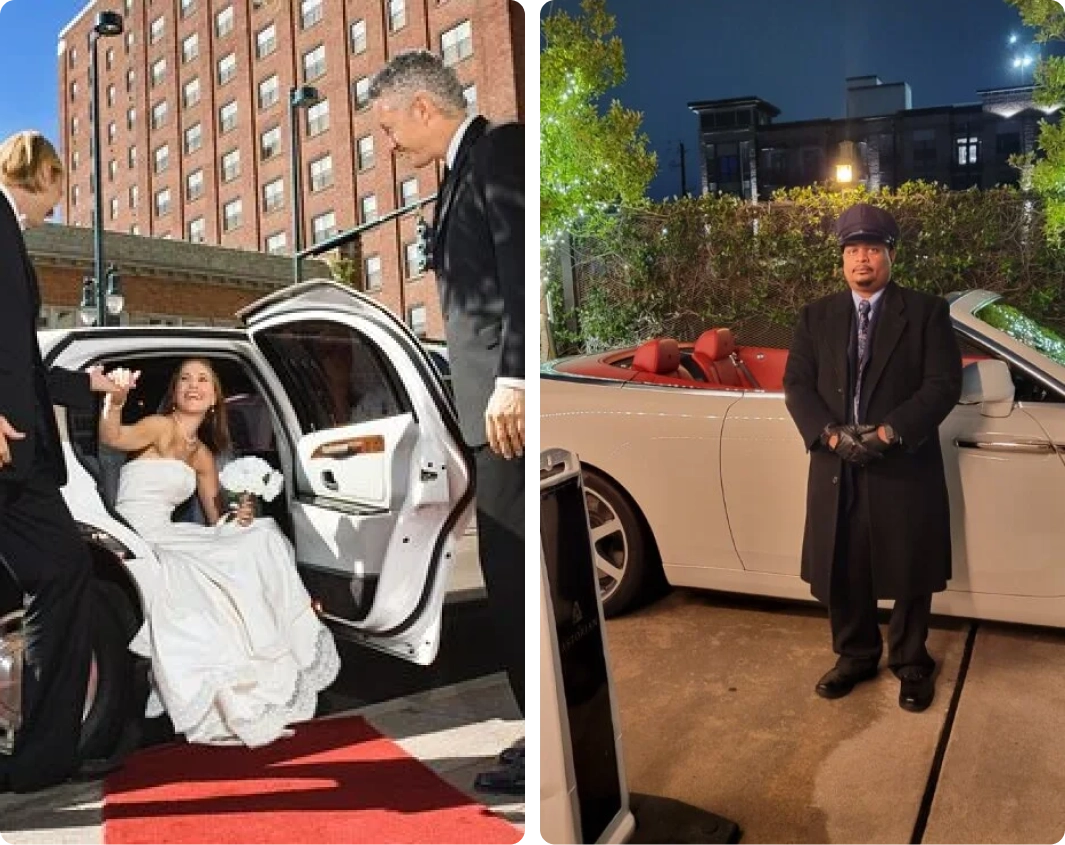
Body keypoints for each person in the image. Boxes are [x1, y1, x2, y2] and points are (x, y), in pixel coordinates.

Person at [369, 50, 529, 793]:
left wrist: (513, 378)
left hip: (506, 411)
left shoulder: (497, 151)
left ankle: (544, 738)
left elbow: (517, 270)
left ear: (424, 109)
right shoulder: (458, 174)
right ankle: (538, 728)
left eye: (390, 125)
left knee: (512, 568)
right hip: (483, 410)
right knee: (506, 567)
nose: (390, 142)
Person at [99, 359, 340, 747]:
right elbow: (113, 437)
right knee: (190, 573)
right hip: (135, 533)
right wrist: (115, 401)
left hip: (170, 532)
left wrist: (240, 513)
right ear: (175, 391)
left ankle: (273, 643)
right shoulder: (159, 428)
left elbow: (217, 520)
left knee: (260, 534)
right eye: (185, 379)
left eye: (203, 380)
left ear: (214, 397)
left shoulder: (202, 456)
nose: (194, 386)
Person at [782, 203, 962, 713]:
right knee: (842, 559)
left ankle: (910, 660)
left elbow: (942, 383)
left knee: (908, 559)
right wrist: (832, 437)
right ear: (842, 259)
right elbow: (796, 384)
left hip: (902, 461)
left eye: (873, 249)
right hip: (836, 462)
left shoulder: (926, 312)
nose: (863, 259)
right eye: (853, 250)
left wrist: (889, 432)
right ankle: (855, 655)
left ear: (890, 255)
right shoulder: (816, 315)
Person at [0, 130, 128, 792]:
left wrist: (91, 387)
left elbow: (21, 361)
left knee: (60, 572)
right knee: (61, 572)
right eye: (60, 182)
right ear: (45, 172)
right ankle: (42, 752)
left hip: (18, 459)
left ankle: (42, 754)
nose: (60, 196)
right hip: (5, 453)